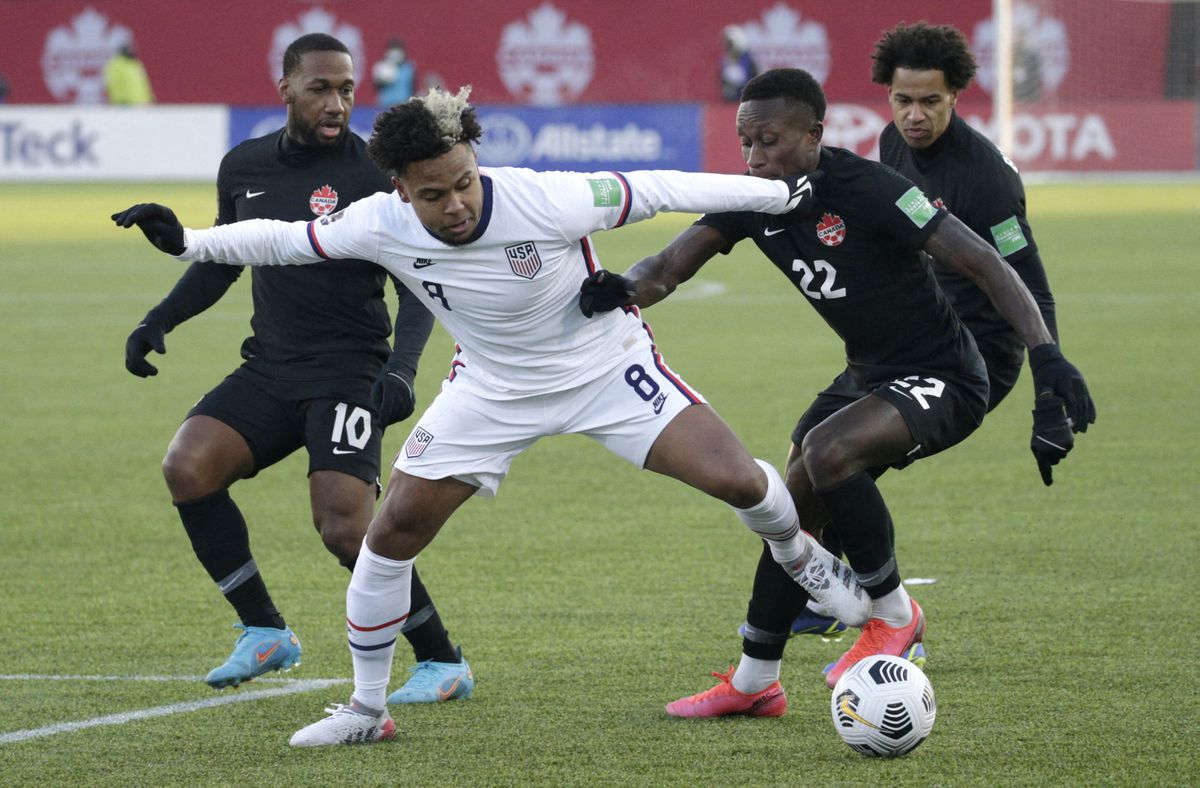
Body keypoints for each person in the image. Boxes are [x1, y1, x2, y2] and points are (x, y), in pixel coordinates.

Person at [113, 85, 870, 747]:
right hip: (491, 390)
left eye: (463, 184)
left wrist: (779, 196)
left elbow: (661, 186)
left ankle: (802, 559)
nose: (455, 205)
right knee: (386, 541)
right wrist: (187, 242)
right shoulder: (378, 222)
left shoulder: (547, 198)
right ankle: (367, 709)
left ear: (476, 164)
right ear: (401, 189)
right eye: (433, 194)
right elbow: (284, 241)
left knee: (741, 482)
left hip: (603, 367)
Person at [575, 67, 1094, 716]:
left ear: (815, 134)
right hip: (868, 374)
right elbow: (671, 266)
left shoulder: (872, 189)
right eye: (746, 144)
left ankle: (894, 615)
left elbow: (985, 262)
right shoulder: (750, 198)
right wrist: (623, 287)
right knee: (791, 513)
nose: (755, 159)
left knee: (827, 452)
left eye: (769, 142)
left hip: (947, 375)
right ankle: (755, 681)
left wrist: (1048, 362)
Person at [121, 33, 475, 705]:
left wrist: (400, 372)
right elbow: (224, 255)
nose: (336, 101)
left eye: (346, 88)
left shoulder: (378, 174)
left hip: (348, 371)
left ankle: (441, 658)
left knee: (344, 527)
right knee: (187, 467)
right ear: (285, 88)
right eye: (320, 87)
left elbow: (417, 282)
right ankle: (263, 629)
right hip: (271, 366)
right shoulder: (245, 165)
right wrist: (159, 320)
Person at [785, 20, 1076, 646]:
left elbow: (1029, 280)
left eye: (930, 102)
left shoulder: (985, 178)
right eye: (902, 100)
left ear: (957, 97)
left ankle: (884, 614)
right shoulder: (892, 142)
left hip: (975, 358)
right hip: (910, 338)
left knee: (840, 456)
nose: (914, 116)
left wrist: (1048, 386)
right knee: (803, 456)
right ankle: (828, 590)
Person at [372, 38, 416, 107]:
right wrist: (382, 79)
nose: (395, 54)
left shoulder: (408, 68)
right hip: (385, 105)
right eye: (393, 50)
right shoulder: (381, 67)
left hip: (403, 104)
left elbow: (413, 87)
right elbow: (376, 85)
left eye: (398, 50)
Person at [720, 25, 758, 102]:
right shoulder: (724, 60)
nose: (728, 47)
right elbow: (722, 82)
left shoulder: (748, 61)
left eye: (730, 44)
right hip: (729, 102)